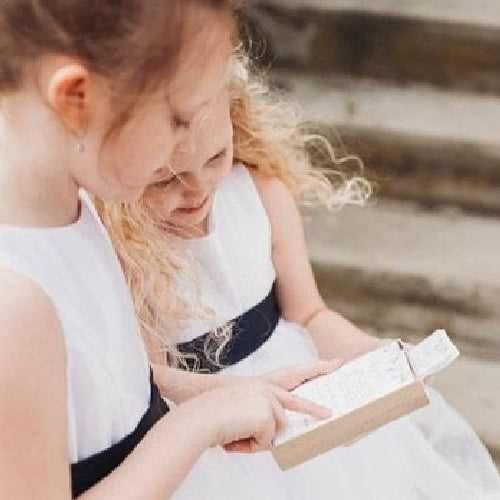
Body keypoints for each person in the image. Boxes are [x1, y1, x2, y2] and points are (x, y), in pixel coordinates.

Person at [99, 53, 500, 499]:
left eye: (216, 156)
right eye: (165, 180)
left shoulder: (261, 193)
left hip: (307, 405)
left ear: (235, 122)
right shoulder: (125, 246)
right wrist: (236, 403)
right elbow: (147, 379)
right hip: (215, 437)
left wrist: (369, 355)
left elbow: (308, 313)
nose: (197, 189)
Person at [0, 3, 338, 498]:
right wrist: (197, 423)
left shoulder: (74, 206)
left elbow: (106, 391)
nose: (185, 150)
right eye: (178, 119)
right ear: (78, 98)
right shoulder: (14, 304)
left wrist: (228, 393)